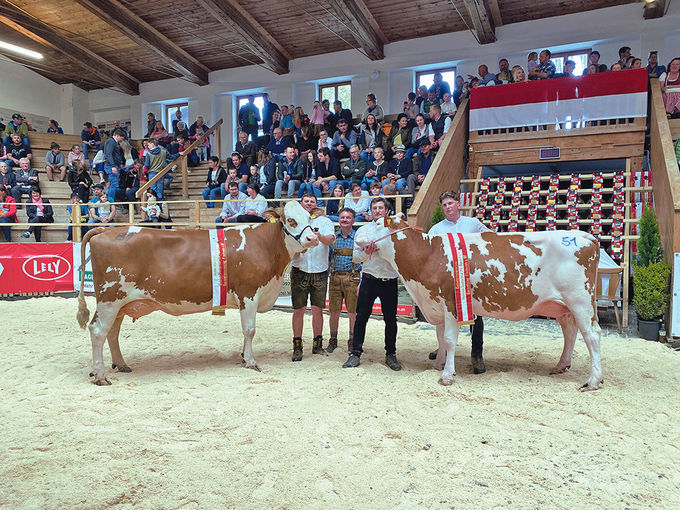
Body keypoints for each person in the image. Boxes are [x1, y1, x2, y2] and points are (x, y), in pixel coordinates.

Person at [428, 191, 490, 374]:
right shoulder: (437, 229)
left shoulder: (473, 224)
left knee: (476, 317)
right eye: (445, 205)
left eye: (450, 203)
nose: (448, 207)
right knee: (444, 318)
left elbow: (490, 240)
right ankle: (442, 349)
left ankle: (477, 354)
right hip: (445, 281)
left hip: (471, 280)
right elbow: (430, 252)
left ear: (458, 204)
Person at [343, 197, 402, 371]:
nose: (377, 211)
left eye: (380, 208)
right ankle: (355, 353)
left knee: (391, 320)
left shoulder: (394, 230)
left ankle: (391, 354)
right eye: (374, 208)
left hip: (390, 280)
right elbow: (355, 257)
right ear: (371, 211)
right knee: (361, 318)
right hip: (369, 278)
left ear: (386, 210)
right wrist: (366, 253)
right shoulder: (363, 231)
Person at [290, 194, 335, 361]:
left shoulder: (324, 221)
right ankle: (297, 346)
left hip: (320, 271)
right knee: (298, 310)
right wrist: (298, 247)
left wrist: (318, 237)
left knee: (318, 310)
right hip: (299, 269)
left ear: (316, 206)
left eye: (312, 202)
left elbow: (330, 240)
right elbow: (288, 244)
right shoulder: (294, 222)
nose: (309, 204)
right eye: (306, 201)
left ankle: (318, 345)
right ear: (301, 204)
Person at [327, 207, 361, 353]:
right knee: (334, 311)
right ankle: (333, 339)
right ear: (338, 220)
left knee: (352, 312)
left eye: (348, 217)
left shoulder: (358, 238)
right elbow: (329, 259)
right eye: (342, 217)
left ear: (353, 220)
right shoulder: (333, 238)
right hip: (335, 277)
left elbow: (364, 261)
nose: (345, 220)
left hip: (353, 278)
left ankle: (352, 340)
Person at [407, 138, 434, 205]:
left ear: (430, 146)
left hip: (430, 177)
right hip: (419, 177)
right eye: (421, 147)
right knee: (411, 177)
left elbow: (435, 169)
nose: (423, 148)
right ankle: (410, 200)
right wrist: (418, 175)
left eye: (425, 146)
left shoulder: (434, 156)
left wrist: (425, 176)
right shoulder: (417, 157)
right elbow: (415, 170)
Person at [103, 129, 126, 202]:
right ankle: (110, 202)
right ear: (117, 136)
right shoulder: (111, 141)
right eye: (121, 138)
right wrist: (113, 166)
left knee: (113, 185)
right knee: (113, 185)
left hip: (114, 165)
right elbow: (109, 154)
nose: (121, 140)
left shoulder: (112, 142)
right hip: (111, 165)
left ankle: (109, 201)